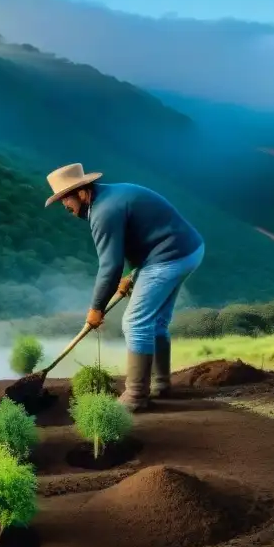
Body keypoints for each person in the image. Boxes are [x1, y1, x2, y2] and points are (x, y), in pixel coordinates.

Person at [44, 164, 205, 411]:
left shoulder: (103, 212)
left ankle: (136, 396)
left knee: (135, 322)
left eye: (66, 198)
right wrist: (135, 273)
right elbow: (144, 234)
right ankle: (161, 384)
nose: (65, 205)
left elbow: (110, 266)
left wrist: (96, 308)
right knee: (157, 322)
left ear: (83, 192)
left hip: (169, 257)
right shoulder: (111, 196)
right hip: (188, 249)